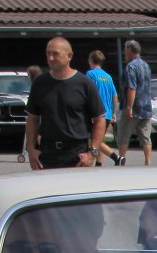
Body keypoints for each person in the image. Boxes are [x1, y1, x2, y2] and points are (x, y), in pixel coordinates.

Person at [23, 37, 106, 170]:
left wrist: (92, 153)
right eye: (48, 53)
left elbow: (99, 120)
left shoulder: (85, 84)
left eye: (55, 54)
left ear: (69, 56)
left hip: (77, 155)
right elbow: (32, 118)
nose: (50, 58)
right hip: (47, 153)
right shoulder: (40, 83)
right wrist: (31, 149)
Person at [82, 50, 123, 166]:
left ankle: (116, 157)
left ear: (91, 60)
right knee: (100, 139)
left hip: (96, 113)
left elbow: (88, 92)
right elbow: (115, 95)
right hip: (108, 114)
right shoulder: (108, 77)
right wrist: (113, 112)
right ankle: (99, 164)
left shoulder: (90, 74)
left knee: (94, 140)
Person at [117, 40, 153, 166]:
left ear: (129, 50)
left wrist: (129, 107)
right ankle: (148, 161)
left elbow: (132, 88)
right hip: (146, 106)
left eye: (125, 49)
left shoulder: (131, 67)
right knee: (145, 136)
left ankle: (121, 160)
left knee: (123, 133)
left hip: (134, 106)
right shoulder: (146, 65)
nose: (124, 52)